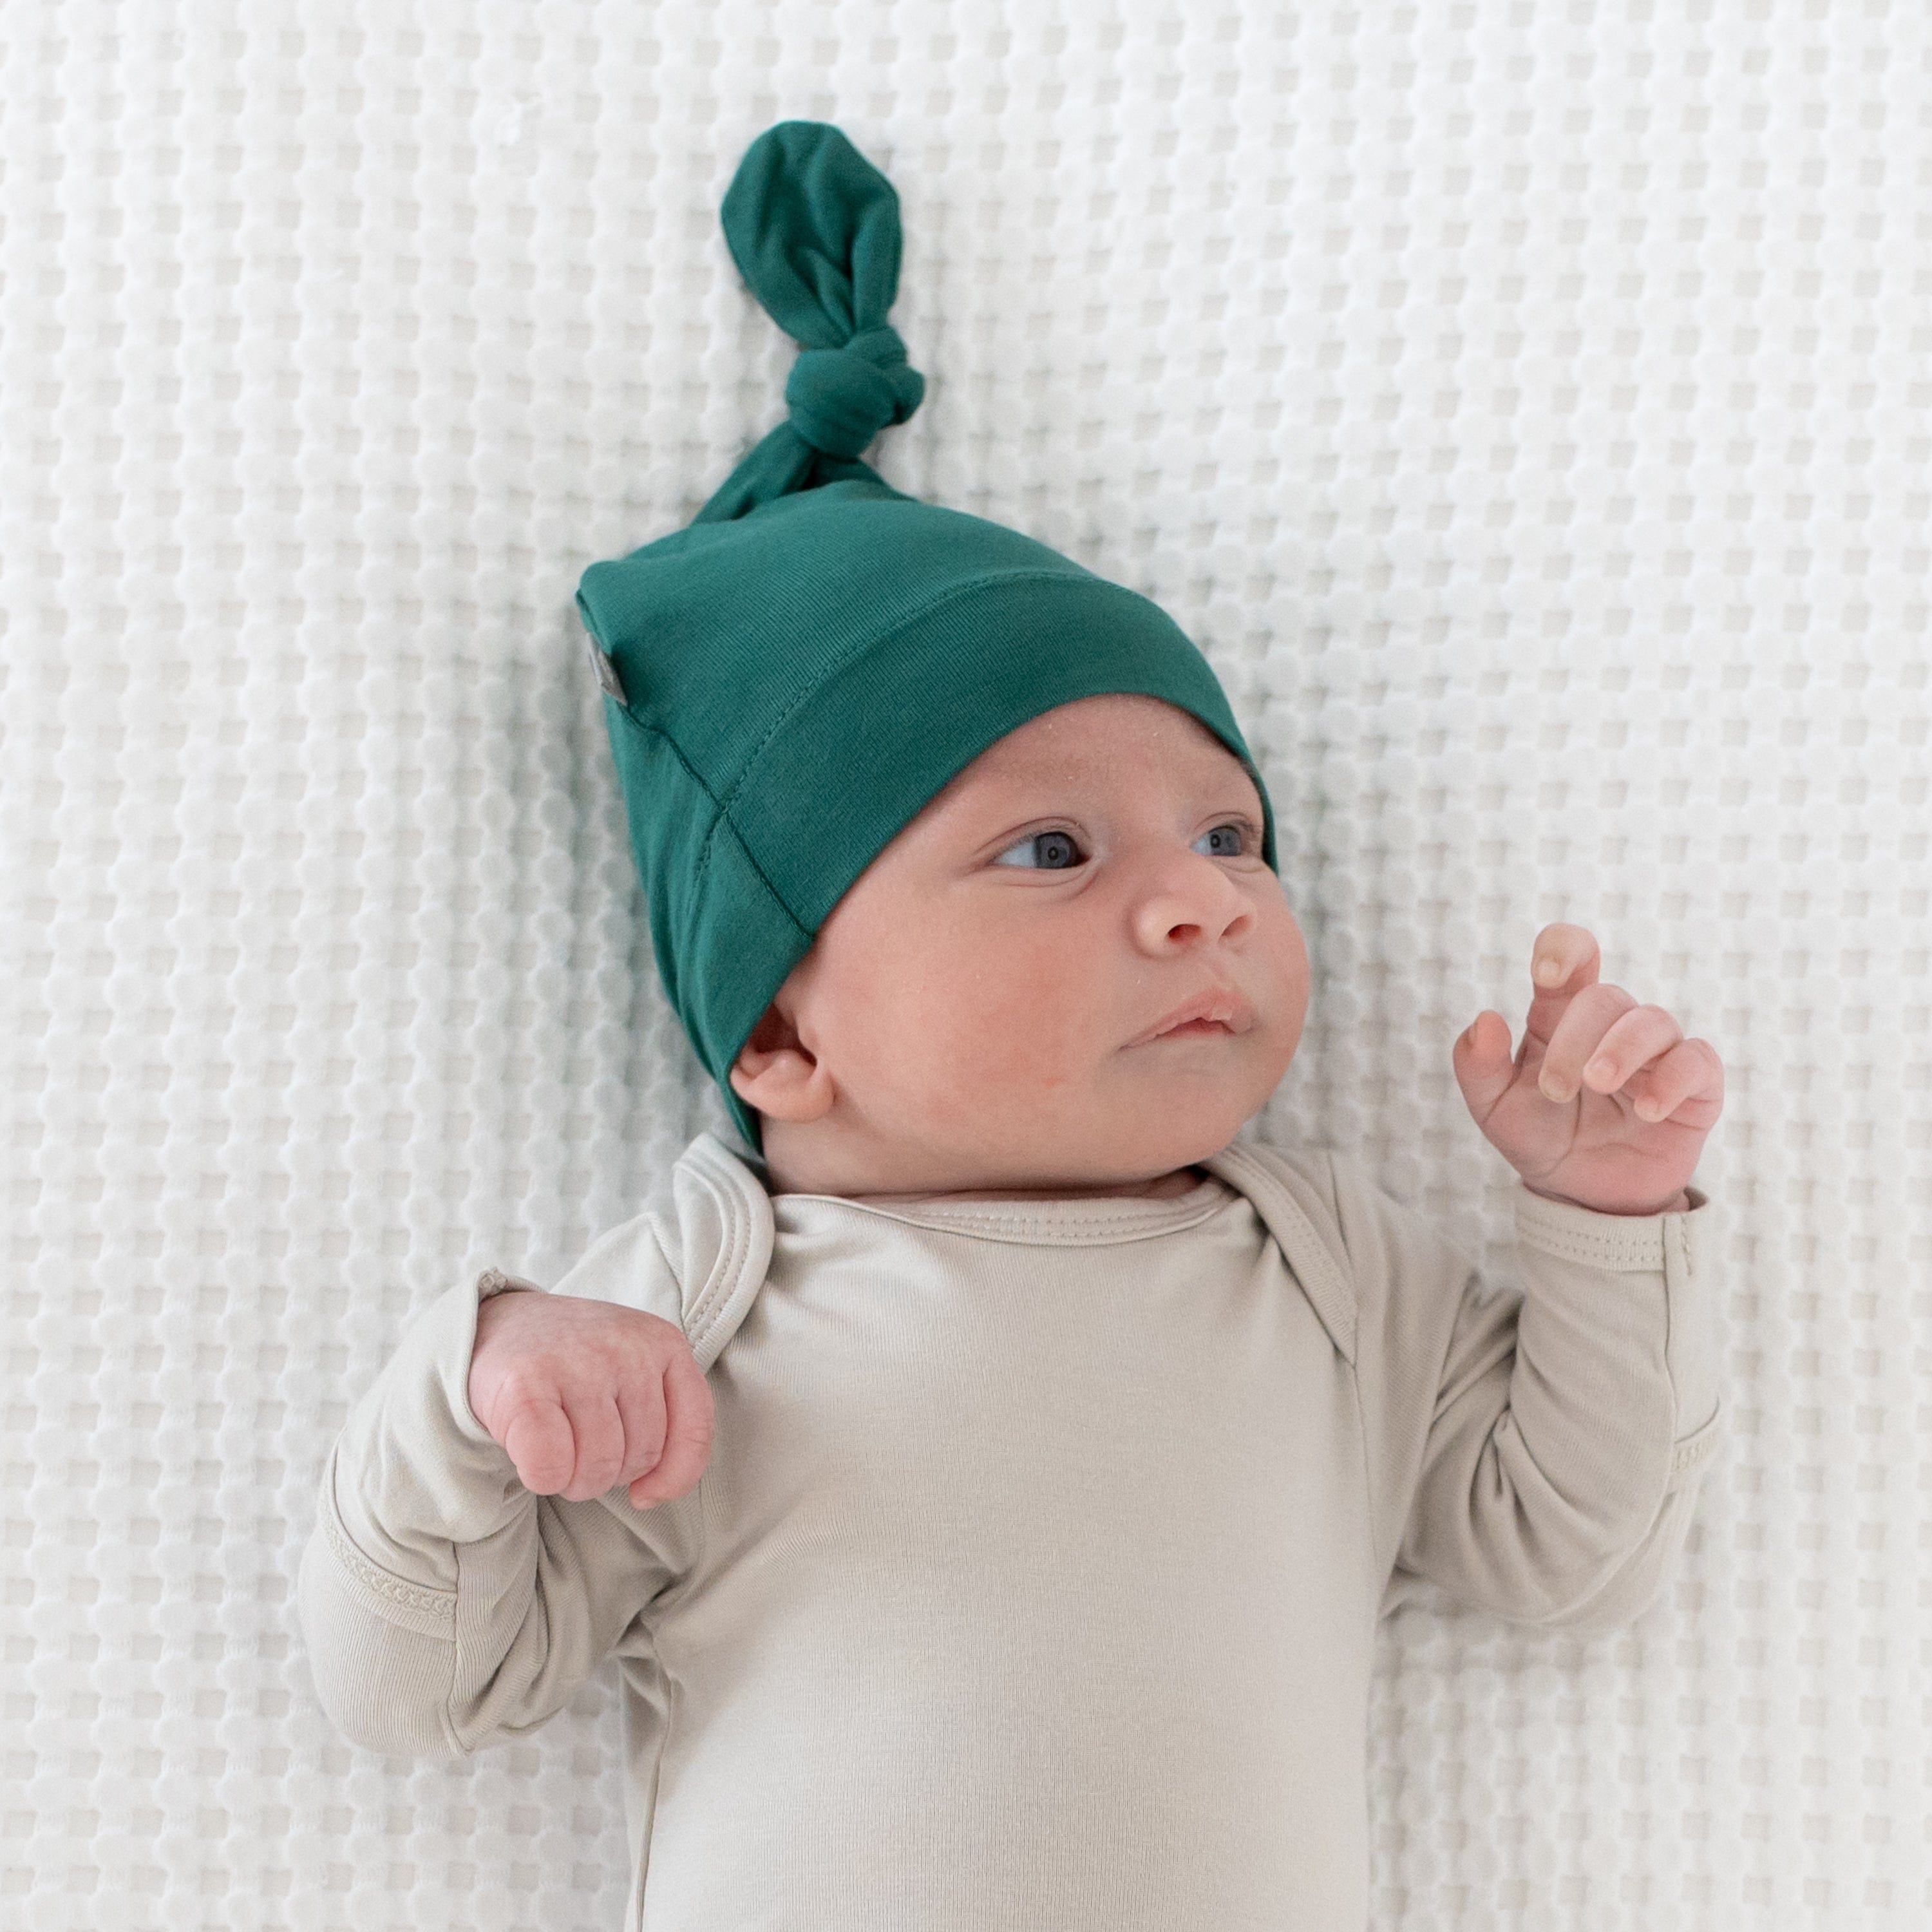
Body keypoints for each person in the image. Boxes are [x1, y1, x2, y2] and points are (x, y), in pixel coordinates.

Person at [297, 121, 1726, 1931]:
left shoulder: (1325, 1272)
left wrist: (1602, 1232)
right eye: (1051, 849)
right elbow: (415, 1686)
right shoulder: (707, 1307)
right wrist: (472, 1386)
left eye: (1230, 837)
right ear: (785, 1039)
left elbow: (1563, 1555)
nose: (1203, 896)